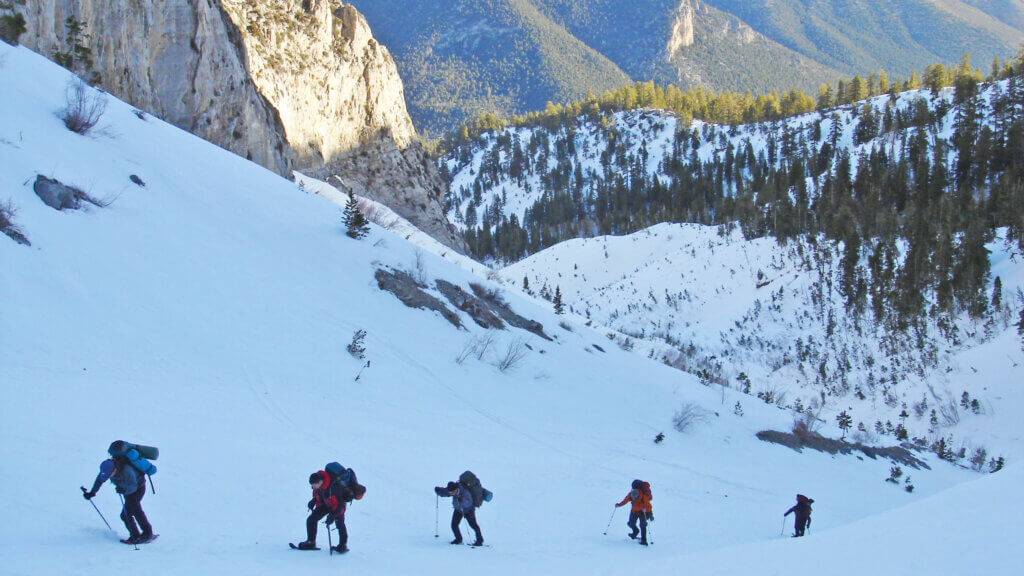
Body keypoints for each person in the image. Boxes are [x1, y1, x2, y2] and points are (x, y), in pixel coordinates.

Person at [83, 457, 154, 544]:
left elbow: (133, 486)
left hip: (138, 489)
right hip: (126, 492)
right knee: (136, 511)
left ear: (114, 469)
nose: (109, 476)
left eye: (110, 474)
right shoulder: (106, 470)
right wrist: (92, 492)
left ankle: (136, 536)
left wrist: (124, 489)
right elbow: (99, 480)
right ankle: (147, 533)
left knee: (126, 514)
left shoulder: (127, 470)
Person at [296, 470, 348, 552]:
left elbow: (340, 504)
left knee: (340, 523)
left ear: (320, 481)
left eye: (314, 485)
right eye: (312, 486)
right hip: (325, 504)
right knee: (311, 519)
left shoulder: (333, 487)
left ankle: (343, 545)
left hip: (337, 506)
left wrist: (333, 516)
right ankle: (311, 542)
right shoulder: (318, 485)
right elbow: (318, 495)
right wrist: (313, 501)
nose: (314, 487)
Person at [434, 481, 483, 546]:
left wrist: (461, 501)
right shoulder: (451, 490)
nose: (452, 494)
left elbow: (469, 502)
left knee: (473, 525)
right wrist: (439, 491)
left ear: (456, 489)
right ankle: (458, 539)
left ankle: (480, 540)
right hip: (458, 510)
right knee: (454, 525)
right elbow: (445, 492)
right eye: (450, 492)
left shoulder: (465, 492)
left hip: (468, 510)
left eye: (453, 492)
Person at [615, 480, 653, 545]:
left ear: (638, 496)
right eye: (633, 498)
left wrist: (650, 514)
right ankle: (635, 531)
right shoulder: (631, 494)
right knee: (630, 523)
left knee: (643, 525)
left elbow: (649, 507)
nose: (634, 499)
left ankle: (644, 541)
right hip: (634, 511)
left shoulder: (644, 497)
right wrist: (619, 505)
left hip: (642, 512)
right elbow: (625, 500)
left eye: (636, 498)